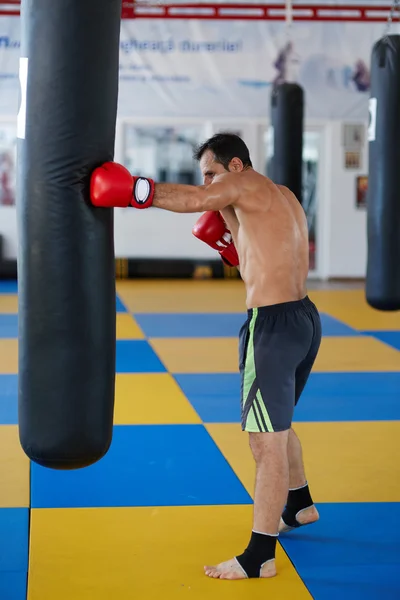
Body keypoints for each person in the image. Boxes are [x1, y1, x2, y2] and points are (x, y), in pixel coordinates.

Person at [90, 133, 322, 581]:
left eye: (212, 172)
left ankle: (260, 556)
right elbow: (270, 253)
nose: (210, 184)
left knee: (264, 441)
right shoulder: (284, 196)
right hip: (305, 320)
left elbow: (197, 199)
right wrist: (232, 242)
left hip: (270, 328)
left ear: (236, 166)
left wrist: (137, 191)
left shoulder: (240, 183)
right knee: (280, 422)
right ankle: (299, 502)